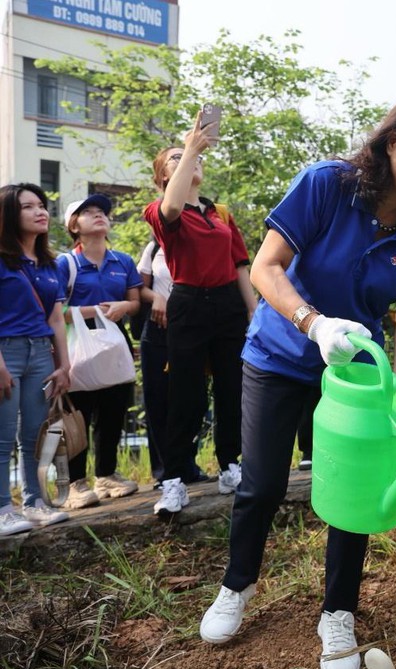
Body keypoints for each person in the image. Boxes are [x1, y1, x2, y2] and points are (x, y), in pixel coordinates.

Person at [197, 93, 396, 669]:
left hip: (355, 379)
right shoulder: (327, 185)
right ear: (393, 142)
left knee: (355, 493)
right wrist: (313, 323)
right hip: (279, 354)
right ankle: (237, 585)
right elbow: (266, 268)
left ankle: (338, 612)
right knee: (263, 485)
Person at [143, 110, 258, 517]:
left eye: (191, 157)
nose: (190, 160)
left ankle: (230, 466)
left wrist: (253, 314)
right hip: (188, 303)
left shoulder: (220, 213)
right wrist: (191, 145)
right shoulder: (159, 210)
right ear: (162, 177)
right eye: (175, 159)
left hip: (227, 303)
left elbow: (241, 266)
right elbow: (172, 209)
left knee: (232, 388)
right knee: (186, 394)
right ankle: (174, 480)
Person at [56, 195, 142, 508]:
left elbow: (134, 302)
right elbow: (54, 312)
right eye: (88, 212)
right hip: (77, 346)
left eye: (102, 212)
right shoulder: (64, 264)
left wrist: (125, 306)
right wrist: (96, 311)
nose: (98, 216)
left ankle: (106, 475)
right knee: (77, 415)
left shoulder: (123, 261)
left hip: (115, 345)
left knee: (113, 411)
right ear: (73, 226)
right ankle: (74, 483)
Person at [0, 183, 71, 534]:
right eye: (28, 207)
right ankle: (2, 509)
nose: (40, 211)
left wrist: (64, 363)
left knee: (35, 436)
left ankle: (35, 503)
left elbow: (56, 318)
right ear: (10, 214)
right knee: (1, 437)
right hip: (6, 351)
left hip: (41, 353)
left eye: (42, 205)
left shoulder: (49, 263)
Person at [136, 238, 209, 486]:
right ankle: (166, 471)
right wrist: (157, 298)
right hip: (159, 330)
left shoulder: (202, 243)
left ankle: (187, 464)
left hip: (194, 329)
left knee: (194, 399)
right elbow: (138, 287)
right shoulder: (154, 247)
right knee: (158, 400)